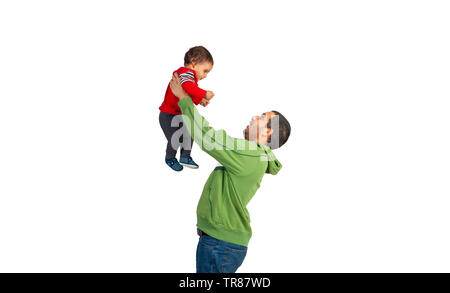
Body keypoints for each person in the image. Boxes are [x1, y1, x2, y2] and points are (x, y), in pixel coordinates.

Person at [169, 73, 291, 273]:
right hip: (221, 242)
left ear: (267, 132)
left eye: (261, 117)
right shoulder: (254, 157)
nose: (254, 117)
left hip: (220, 243)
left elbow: (208, 138)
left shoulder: (252, 153)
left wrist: (184, 99)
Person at [159, 46, 215, 171]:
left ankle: (185, 156)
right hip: (168, 115)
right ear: (194, 64)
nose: (205, 75)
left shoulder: (190, 78)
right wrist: (203, 93)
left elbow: (188, 93)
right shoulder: (185, 73)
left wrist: (199, 100)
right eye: (205, 71)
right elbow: (187, 86)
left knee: (190, 132)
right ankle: (170, 158)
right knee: (176, 138)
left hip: (180, 114)